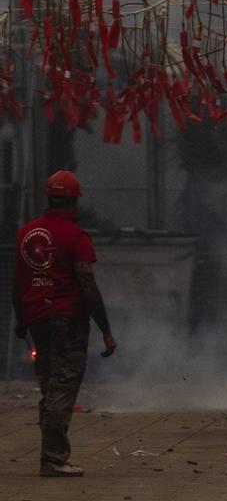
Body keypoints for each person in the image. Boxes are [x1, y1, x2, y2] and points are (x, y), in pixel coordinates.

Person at [12, 170, 117, 478]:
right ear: (73, 202)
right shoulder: (75, 237)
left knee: (48, 385)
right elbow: (87, 285)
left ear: (48, 197)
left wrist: (21, 320)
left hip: (37, 320)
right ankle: (54, 458)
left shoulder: (26, 234)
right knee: (62, 387)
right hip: (67, 321)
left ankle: (52, 455)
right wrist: (106, 331)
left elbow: (18, 283)